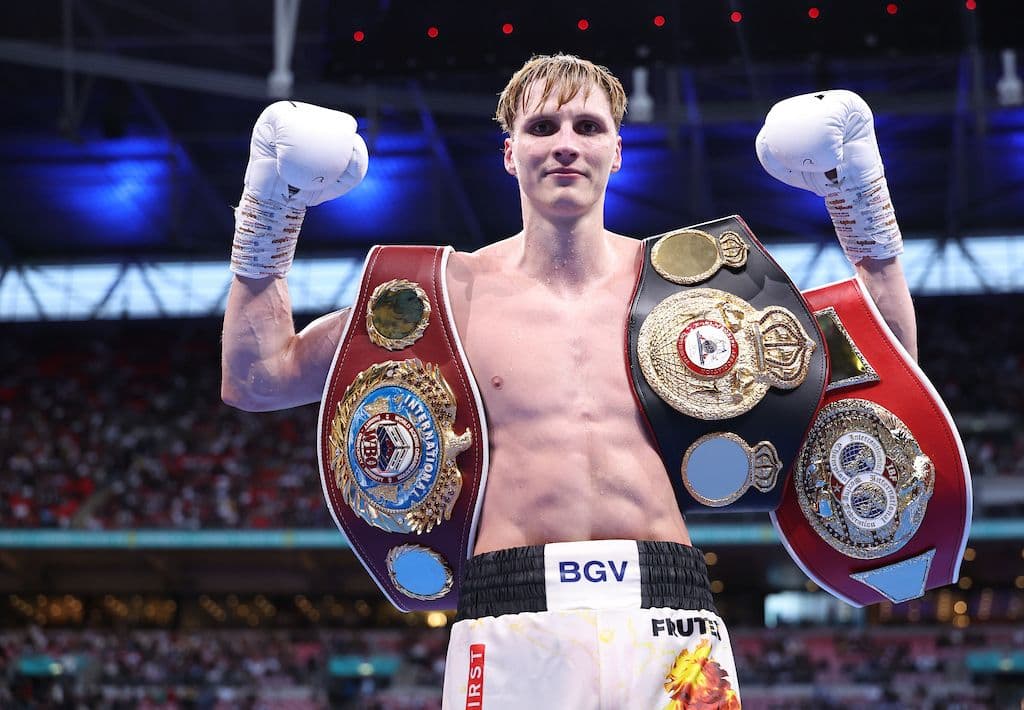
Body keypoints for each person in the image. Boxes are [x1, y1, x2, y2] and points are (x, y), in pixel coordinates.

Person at [221, 54, 915, 709]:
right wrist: (271, 210)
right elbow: (258, 378)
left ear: (617, 150)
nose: (564, 145)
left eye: (587, 126)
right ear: (509, 152)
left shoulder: (699, 290)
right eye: (541, 127)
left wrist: (858, 195)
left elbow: (887, 355)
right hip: (511, 609)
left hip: (670, 611)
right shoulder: (445, 294)